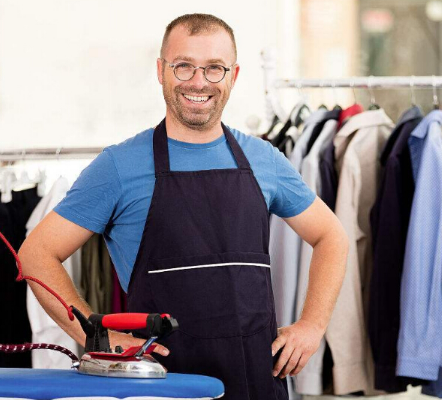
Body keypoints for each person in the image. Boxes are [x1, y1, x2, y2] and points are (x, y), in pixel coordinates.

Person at [19, 13, 348, 400]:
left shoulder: (265, 159)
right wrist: (97, 334)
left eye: (214, 69)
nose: (198, 82)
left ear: (234, 75)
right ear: (161, 70)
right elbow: (36, 254)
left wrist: (312, 325)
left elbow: (332, 236)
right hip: (157, 384)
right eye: (184, 66)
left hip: (255, 382)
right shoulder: (118, 166)